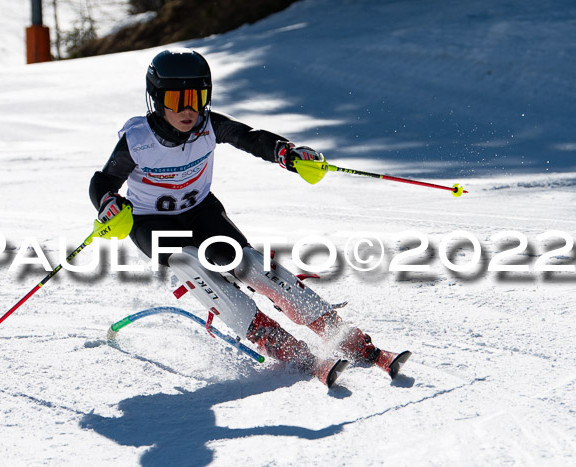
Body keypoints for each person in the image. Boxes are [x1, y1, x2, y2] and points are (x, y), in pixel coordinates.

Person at [89, 48, 410, 387]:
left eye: (196, 98)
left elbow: (251, 138)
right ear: (157, 99)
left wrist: (286, 153)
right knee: (194, 266)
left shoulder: (208, 126)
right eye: (175, 98)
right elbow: (103, 181)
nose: (187, 109)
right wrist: (108, 202)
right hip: (150, 222)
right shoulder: (139, 139)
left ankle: (352, 341)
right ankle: (290, 350)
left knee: (251, 265)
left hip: (200, 212)